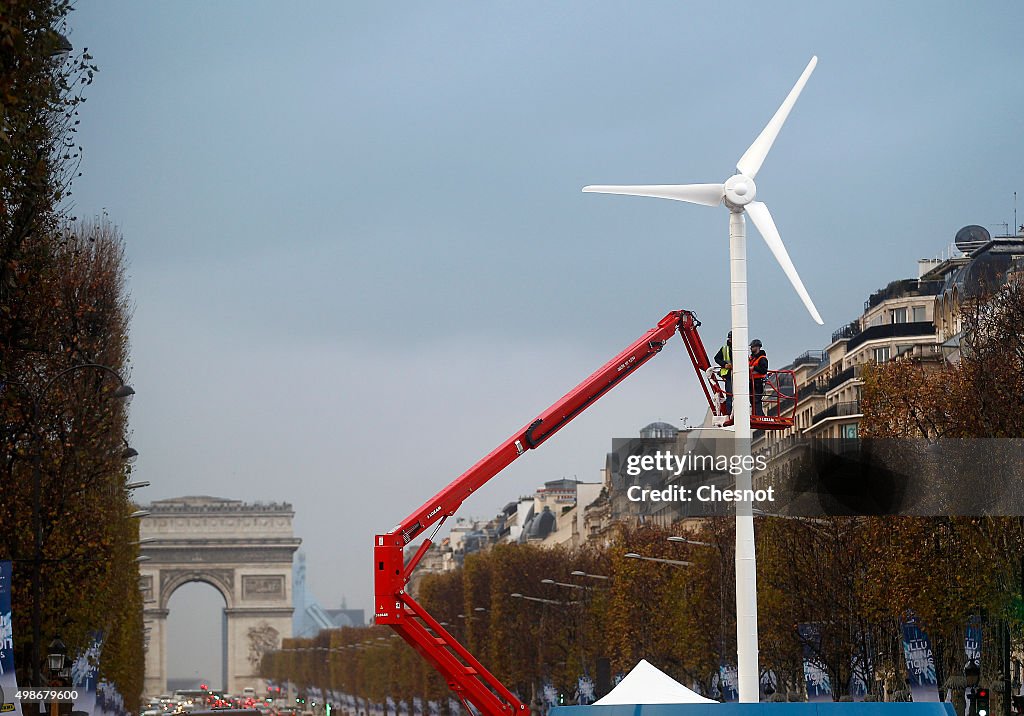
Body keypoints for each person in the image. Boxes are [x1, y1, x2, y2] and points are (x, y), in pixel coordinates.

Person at [714, 331, 733, 414]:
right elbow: (716, 358)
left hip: (740, 376)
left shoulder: (741, 348)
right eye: (730, 338)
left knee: (740, 396)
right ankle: (729, 413)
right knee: (729, 395)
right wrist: (725, 365)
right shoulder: (725, 349)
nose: (730, 340)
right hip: (729, 375)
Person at [749, 339, 768, 416]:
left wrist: (754, 368)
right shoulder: (753, 359)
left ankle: (759, 415)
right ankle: (756, 414)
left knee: (756, 399)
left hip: (758, 382)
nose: (751, 348)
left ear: (757, 347)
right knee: (752, 399)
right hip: (752, 382)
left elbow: (764, 370)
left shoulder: (762, 359)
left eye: (752, 347)